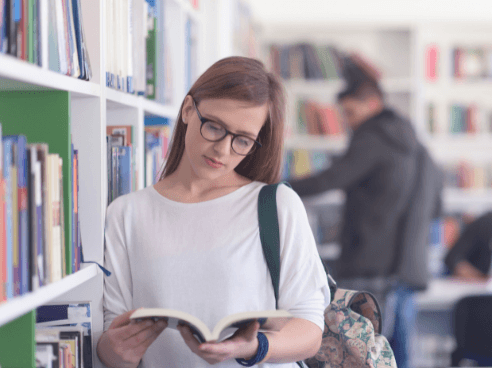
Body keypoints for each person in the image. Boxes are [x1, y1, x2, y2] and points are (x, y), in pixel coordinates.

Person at [97, 57, 330, 368]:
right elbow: (116, 341)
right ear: (188, 110)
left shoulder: (277, 205)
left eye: (242, 140)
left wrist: (253, 347)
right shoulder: (126, 213)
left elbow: (310, 331)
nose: (222, 150)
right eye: (215, 127)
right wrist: (110, 351)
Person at [288, 56, 443, 368]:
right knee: (397, 354)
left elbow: (332, 178)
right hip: (406, 268)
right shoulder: (413, 142)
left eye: (350, 112)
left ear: (372, 104)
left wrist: (276, 188)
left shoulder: (373, 136)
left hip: (371, 264)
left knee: (362, 354)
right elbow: (437, 203)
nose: (348, 120)